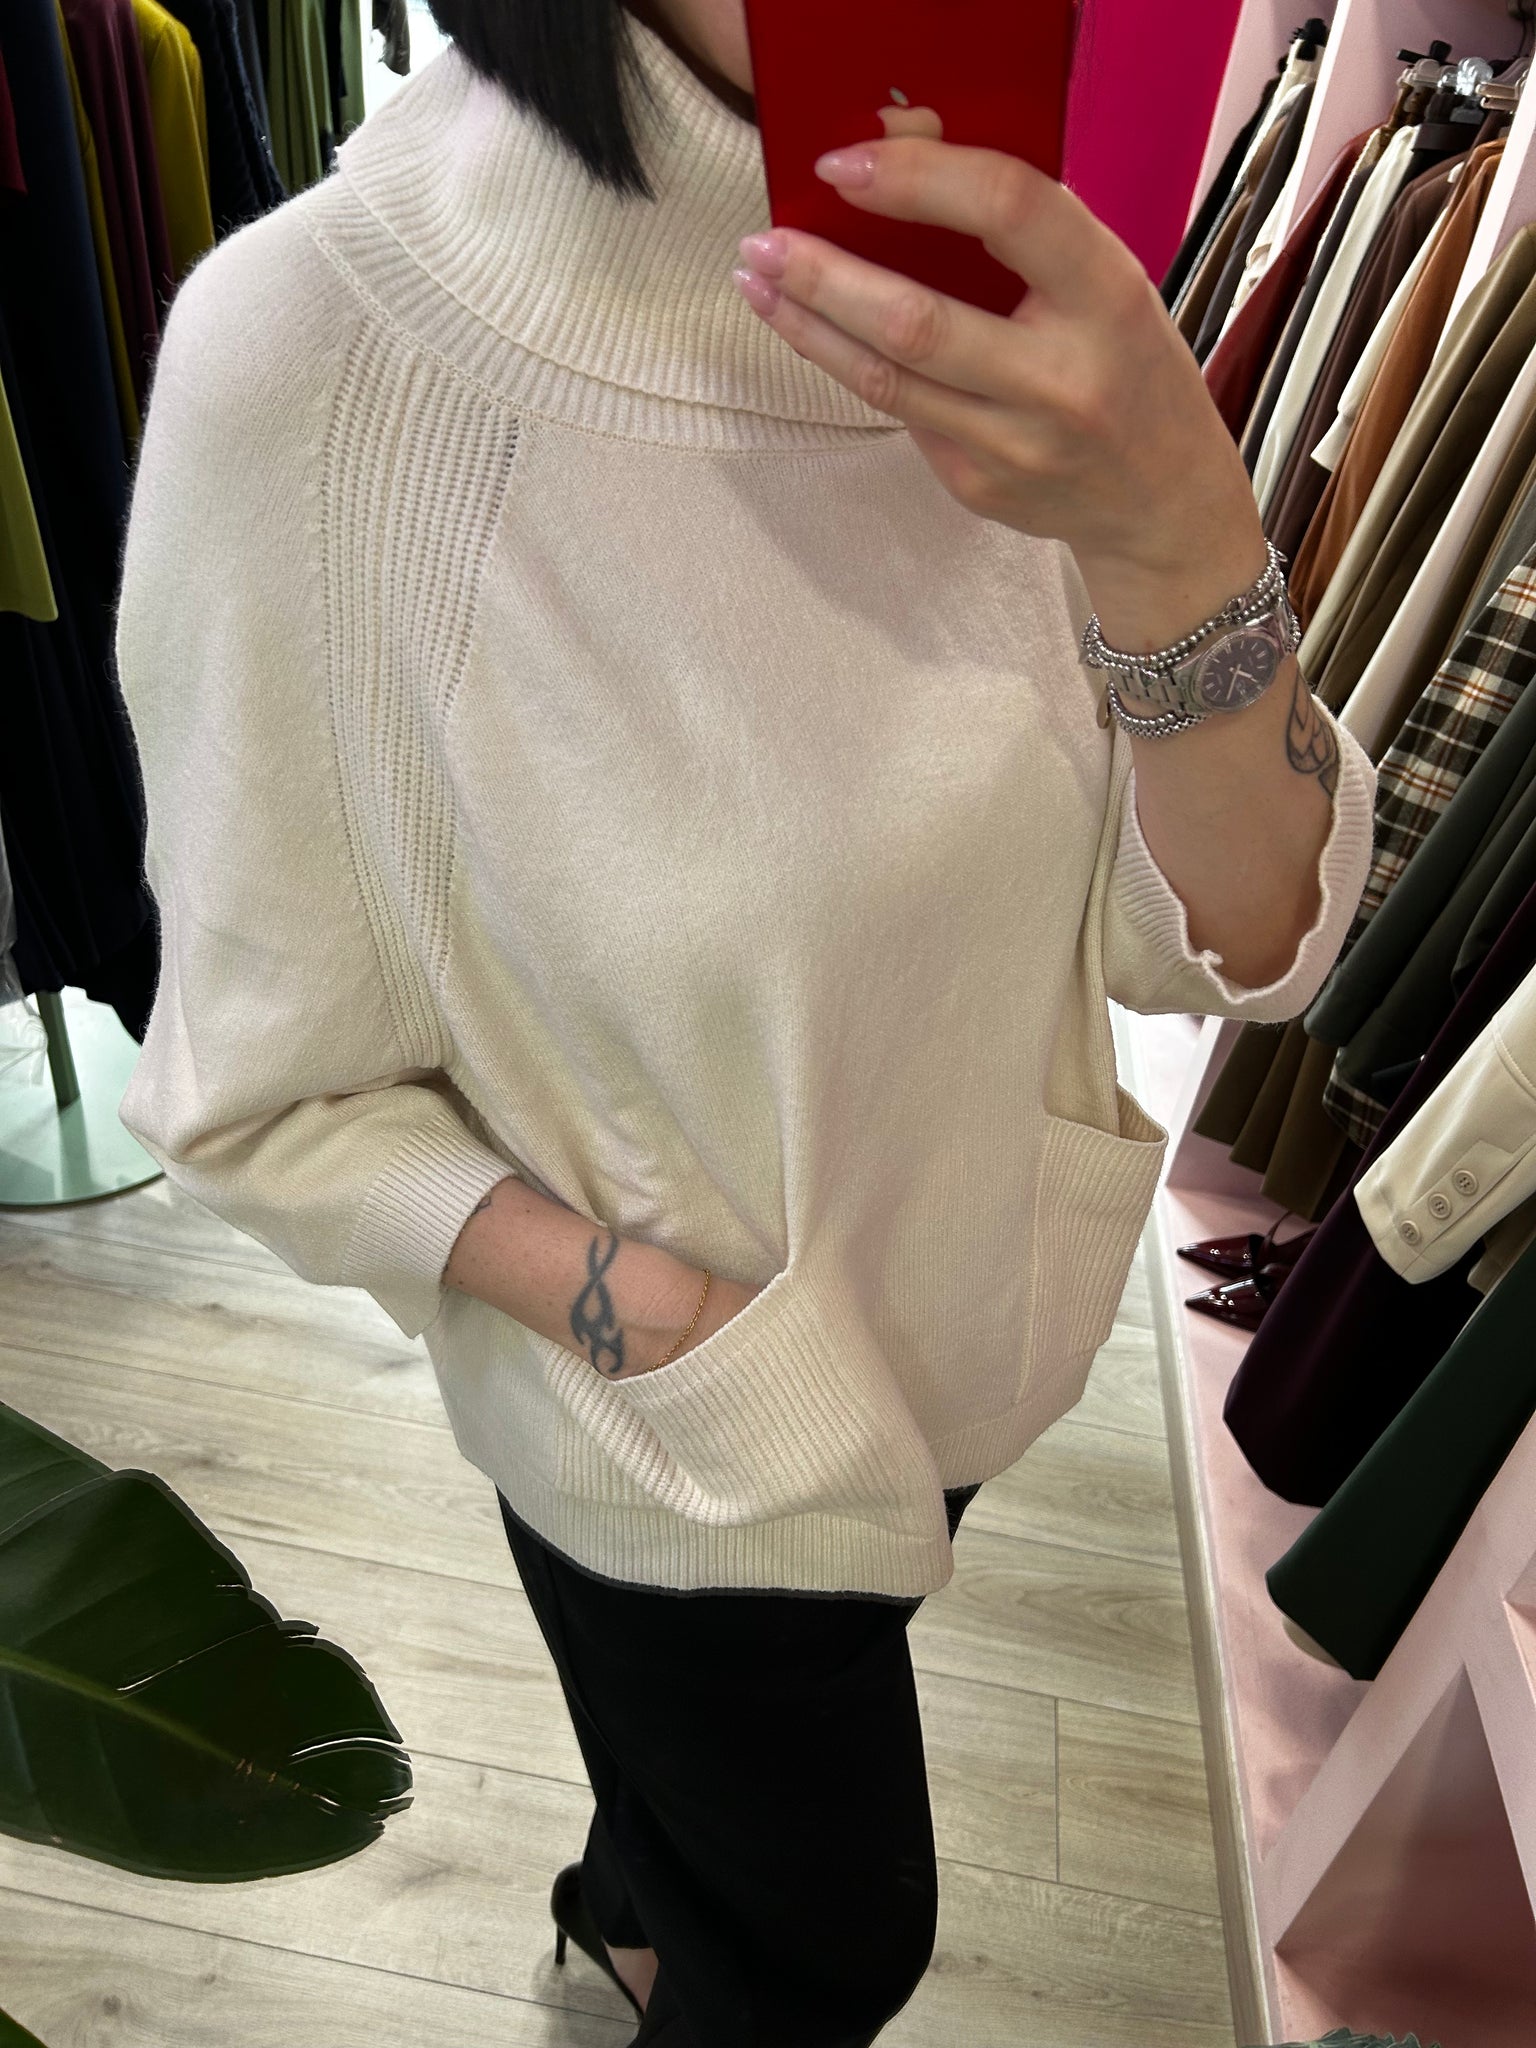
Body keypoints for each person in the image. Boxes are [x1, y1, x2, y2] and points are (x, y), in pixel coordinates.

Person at [113, 2, 1378, 2042]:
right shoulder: (323, 360)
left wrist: (1181, 543)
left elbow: (1242, 950)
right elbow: (252, 1096)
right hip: (671, 1438)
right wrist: (690, 1338)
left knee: (697, 1825)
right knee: (823, 1948)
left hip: (958, 1356)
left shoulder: (1027, 290)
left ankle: (620, 1912)